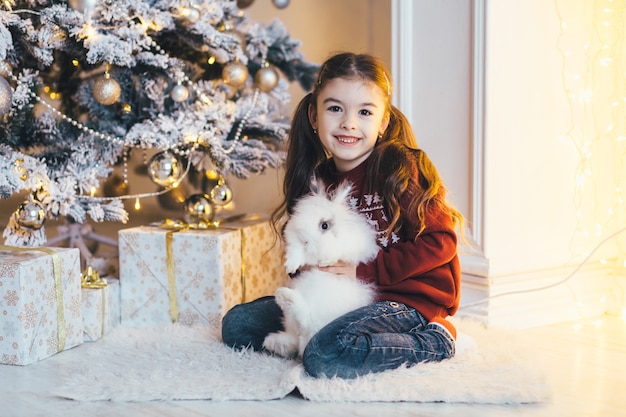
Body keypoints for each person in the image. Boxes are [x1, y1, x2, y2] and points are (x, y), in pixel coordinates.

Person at [221, 52, 464, 379]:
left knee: (324, 355)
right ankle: (345, 337)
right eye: (335, 108)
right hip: (341, 301)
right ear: (314, 115)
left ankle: (436, 342)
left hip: (404, 302)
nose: (349, 122)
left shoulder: (398, 167)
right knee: (237, 325)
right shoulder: (319, 179)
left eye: (365, 112)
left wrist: (364, 270)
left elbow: (441, 242)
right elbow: (308, 243)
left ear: (383, 123)